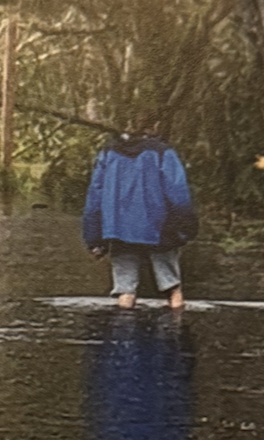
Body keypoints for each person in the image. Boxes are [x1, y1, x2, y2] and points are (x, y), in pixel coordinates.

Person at [81, 121, 198, 308]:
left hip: (118, 229)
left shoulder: (108, 153)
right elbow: (178, 193)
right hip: (160, 228)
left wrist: (94, 238)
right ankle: (177, 322)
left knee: (125, 290)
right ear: (155, 127)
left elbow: (95, 197)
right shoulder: (163, 152)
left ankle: (123, 328)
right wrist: (186, 227)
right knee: (172, 286)